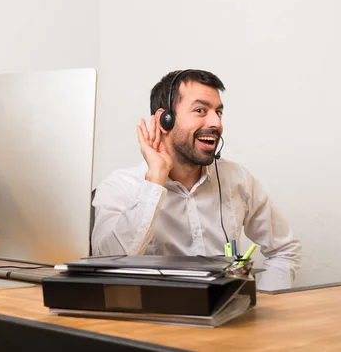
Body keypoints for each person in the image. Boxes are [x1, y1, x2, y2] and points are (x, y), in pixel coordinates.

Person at [91, 69, 301, 291]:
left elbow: (284, 249)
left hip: (224, 319)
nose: (216, 123)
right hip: (155, 321)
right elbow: (107, 264)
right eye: (200, 110)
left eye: (218, 112)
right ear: (165, 120)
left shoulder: (236, 179)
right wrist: (155, 181)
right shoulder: (119, 187)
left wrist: (261, 298)